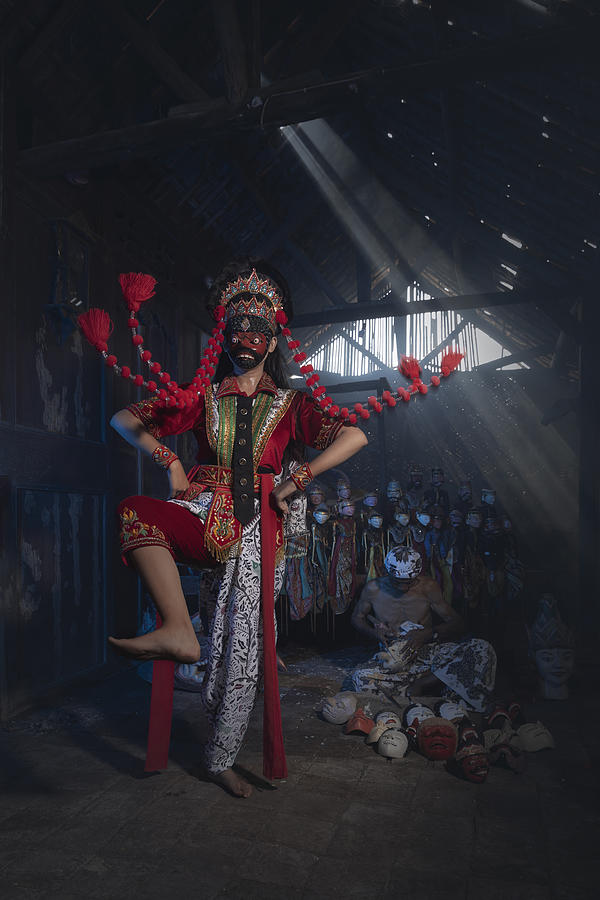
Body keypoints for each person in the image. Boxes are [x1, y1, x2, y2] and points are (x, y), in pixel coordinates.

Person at [109, 259, 368, 797]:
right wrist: (170, 461)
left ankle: (220, 755)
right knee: (135, 511)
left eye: (257, 329)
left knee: (239, 645)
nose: (245, 337)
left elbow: (354, 437)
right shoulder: (202, 396)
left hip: (260, 529)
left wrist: (299, 475)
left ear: (273, 342)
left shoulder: (292, 404)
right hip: (204, 517)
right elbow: (125, 419)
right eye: (236, 328)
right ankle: (179, 631)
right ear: (222, 337)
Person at [349, 546, 497, 713]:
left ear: (417, 575)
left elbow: (458, 623)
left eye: (409, 583)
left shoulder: (428, 587)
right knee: (360, 677)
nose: (403, 588)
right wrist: (374, 632)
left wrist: (428, 634)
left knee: (482, 649)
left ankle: (423, 685)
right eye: (397, 582)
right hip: (398, 659)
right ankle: (442, 688)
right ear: (387, 572)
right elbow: (357, 618)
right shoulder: (373, 588)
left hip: (431, 653)